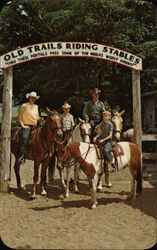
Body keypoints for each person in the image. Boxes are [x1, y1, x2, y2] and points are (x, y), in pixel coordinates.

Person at [17, 91, 41, 162]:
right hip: (26, 125)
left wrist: (40, 119)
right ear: (29, 98)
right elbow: (19, 116)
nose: (33, 99)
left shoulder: (36, 107)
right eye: (31, 98)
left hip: (35, 125)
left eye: (34, 98)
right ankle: (21, 155)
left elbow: (37, 117)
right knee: (25, 138)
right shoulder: (24, 105)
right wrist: (22, 125)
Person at [93, 110, 113, 187]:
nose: (105, 117)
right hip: (101, 140)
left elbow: (110, 135)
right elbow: (99, 133)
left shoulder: (110, 124)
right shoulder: (100, 124)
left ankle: (111, 160)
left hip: (108, 141)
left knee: (106, 150)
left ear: (109, 117)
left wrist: (103, 140)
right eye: (104, 116)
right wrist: (96, 137)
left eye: (106, 116)